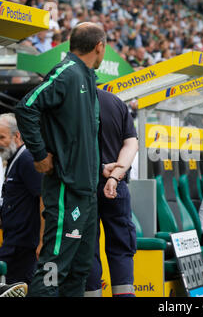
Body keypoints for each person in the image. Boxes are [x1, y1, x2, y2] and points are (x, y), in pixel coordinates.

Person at [15, 22, 107, 297]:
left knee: (80, 270)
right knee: (54, 269)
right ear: (99, 47)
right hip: (67, 190)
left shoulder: (87, 76)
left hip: (87, 192)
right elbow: (26, 108)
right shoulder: (67, 73)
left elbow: (76, 138)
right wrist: (40, 154)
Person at [85, 89, 138, 297]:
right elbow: (132, 143)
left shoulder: (72, 100)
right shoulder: (116, 102)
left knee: (88, 247)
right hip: (116, 185)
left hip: (85, 186)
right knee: (122, 245)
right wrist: (115, 176)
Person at [0, 114, 43, 285]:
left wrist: (42, 241)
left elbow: (43, 199)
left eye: (2, 137)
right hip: (13, 243)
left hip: (24, 247)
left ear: (17, 136)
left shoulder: (26, 159)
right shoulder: (12, 159)